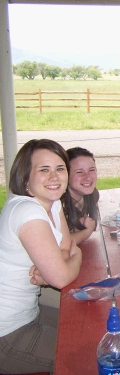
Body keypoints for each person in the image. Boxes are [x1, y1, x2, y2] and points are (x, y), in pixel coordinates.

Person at [0, 139, 82, 374]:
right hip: (8, 334)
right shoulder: (27, 212)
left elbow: (66, 247)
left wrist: (62, 262)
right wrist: (73, 261)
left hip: (29, 314)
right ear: (25, 177)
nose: (54, 177)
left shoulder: (52, 201)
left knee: (86, 326)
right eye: (44, 170)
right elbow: (61, 276)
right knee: (86, 355)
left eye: (60, 168)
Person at [62, 147, 99, 244]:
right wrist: (86, 232)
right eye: (79, 172)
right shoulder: (58, 204)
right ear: (65, 175)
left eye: (91, 170)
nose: (87, 177)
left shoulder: (93, 195)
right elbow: (58, 244)